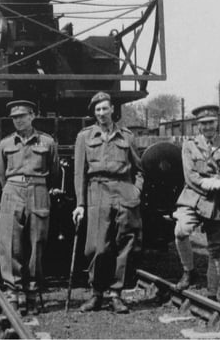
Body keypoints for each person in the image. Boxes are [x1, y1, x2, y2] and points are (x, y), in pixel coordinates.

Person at [72, 91, 144, 314]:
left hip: (124, 191)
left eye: (105, 108)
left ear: (113, 109)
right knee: (97, 246)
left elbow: (140, 170)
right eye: (97, 110)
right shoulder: (84, 137)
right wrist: (80, 204)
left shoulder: (127, 137)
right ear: (94, 113)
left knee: (124, 243)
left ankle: (116, 294)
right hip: (97, 191)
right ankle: (96, 293)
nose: (101, 113)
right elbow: (79, 174)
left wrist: (135, 191)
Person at [172, 104, 220, 301]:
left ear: (217, 123)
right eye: (203, 124)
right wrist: (205, 183)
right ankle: (189, 271)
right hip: (194, 196)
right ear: (197, 126)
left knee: (215, 248)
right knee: (181, 231)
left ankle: (212, 293)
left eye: (211, 122)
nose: (208, 127)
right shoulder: (189, 145)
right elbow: (189, 174)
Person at [0, 100, 59, 315]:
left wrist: (39, 188)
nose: (19, 120)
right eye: (15, 117)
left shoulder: (47, 142)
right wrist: (12, 190)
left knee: (37, 243)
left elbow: (54, 171)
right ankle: (13, 293)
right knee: (10, 244)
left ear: (32, 116)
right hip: (12, 190)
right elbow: (1, 174)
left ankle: (32, 293)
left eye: (23, 116)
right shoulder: (5, 144)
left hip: (38, 190)